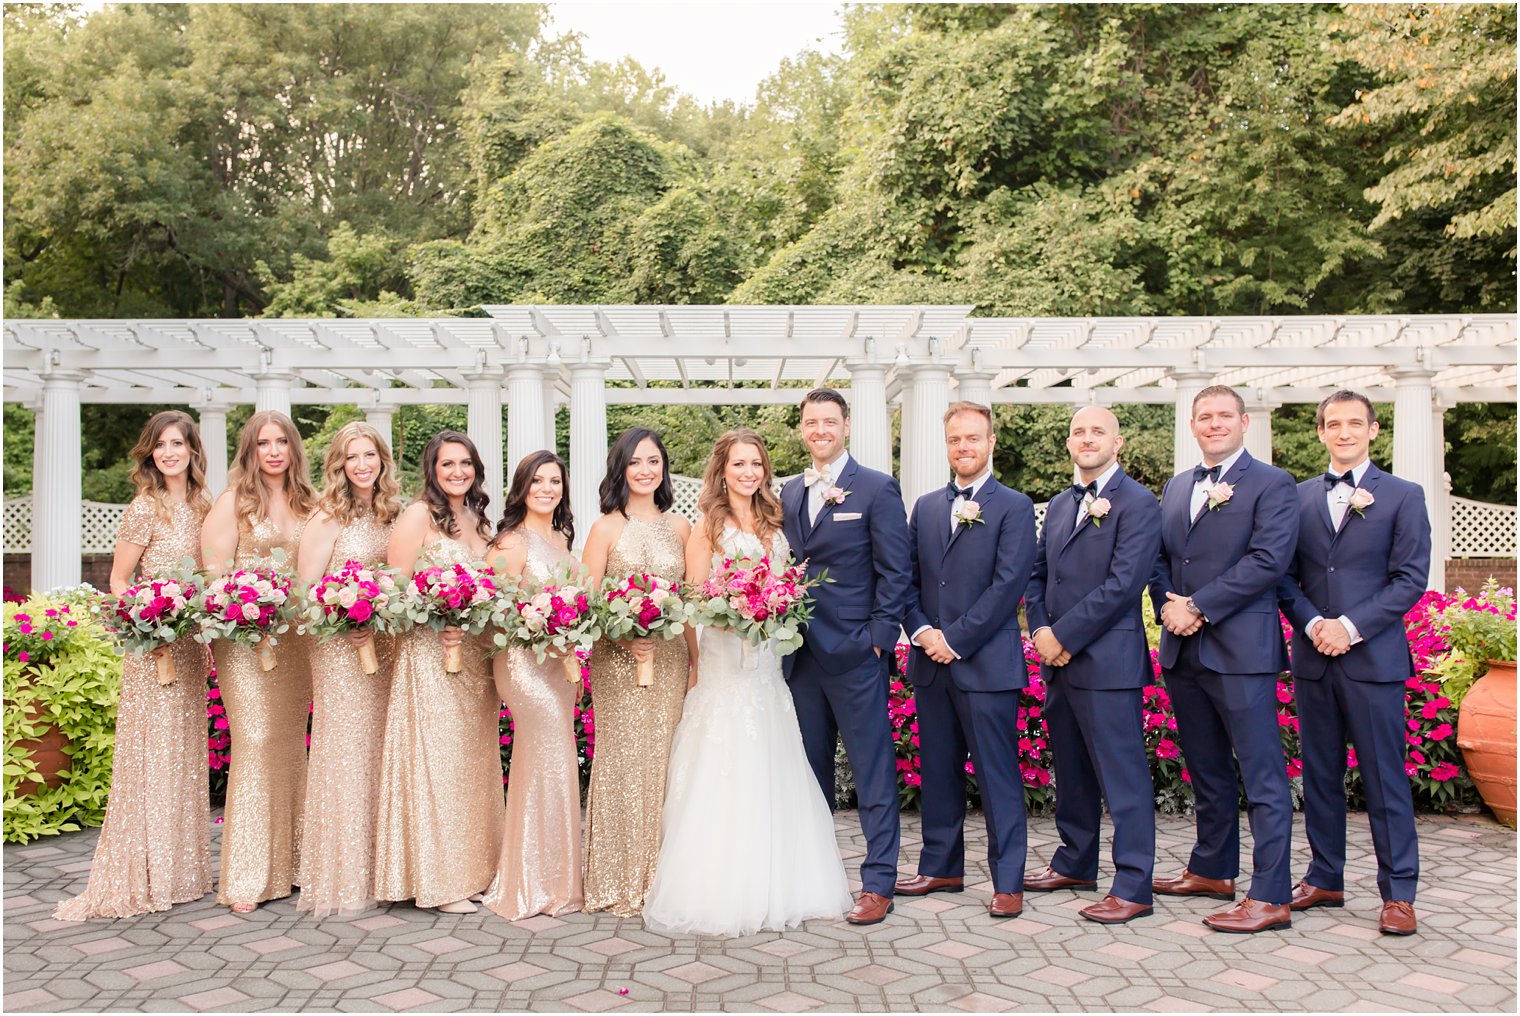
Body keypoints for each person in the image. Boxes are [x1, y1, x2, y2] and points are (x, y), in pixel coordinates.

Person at [642, 429, 852, 936]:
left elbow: (789, 586)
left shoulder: (777, 521)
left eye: (755, 464)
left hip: (766, 663)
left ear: (765, 469)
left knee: (774, 760)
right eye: (738, 464)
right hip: (719, 662)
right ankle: (719, 887)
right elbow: (693, 600)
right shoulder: (706, 528)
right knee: (723, 765)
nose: (748, 473)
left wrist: (771, 607)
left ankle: (786, 880)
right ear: (723, 470)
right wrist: (710, 643)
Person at [1278, 390, 1430, 936]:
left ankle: (1399, 894)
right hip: (1314, 657)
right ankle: (1325, 877)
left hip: (1373, 660)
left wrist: (1350, 626)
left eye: (1354, 424)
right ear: (1320, 432)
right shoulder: (1294, 498)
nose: (1343, 433)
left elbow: (1410, 578)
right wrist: (1314, 623)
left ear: (1374, 430)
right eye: (1333, 424)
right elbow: (1284, 577)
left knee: (1384, 777)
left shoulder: (1404, 496)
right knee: (1319, 774)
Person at [1149, 385, 1299, 934]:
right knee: (1207, 768)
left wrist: (1201, 607)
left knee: (1262, 776)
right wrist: (1170, 606)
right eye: (1204, 417)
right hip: (1183, 648)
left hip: (1241, 650)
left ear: (1244, 423)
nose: (1214, 424)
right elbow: (1160, 557)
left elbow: (1269, 561)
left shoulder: (1273, 483)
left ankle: (1271, 895)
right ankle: (1213, 869)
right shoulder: (1177, 485)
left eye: (1224, 416)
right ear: (1192, 425)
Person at [55, 411, 215, 920]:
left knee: (184, 752)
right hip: (152, 650)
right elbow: (119, 580)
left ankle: (183, 872)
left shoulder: (207, 506)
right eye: (160, 446)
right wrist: (147, 623)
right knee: (152, 754)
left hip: (189, 647)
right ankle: (145, 870)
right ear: (150, 454)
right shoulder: (144, 508)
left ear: (192, 450)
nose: (169, 453)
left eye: (178, 444)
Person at [898, 402, 1037, 920]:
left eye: (973, 438)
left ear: (991, 442)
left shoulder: (1015, 506)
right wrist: (920, 631)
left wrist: (953, 639)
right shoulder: (927, 506)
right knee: (937, 770)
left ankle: (1007, 881)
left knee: (997, 775)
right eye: (955, 438)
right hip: (930, 662)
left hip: (984, 663)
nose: (964, 447)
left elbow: (1009, 587)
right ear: (946, 442)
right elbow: (907, 580)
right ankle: (942, 866)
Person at [1024, 406, 1162, 924]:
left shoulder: (1139, 502)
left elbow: (1124, 584)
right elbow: (1037, 575)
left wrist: (1064, 635)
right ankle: (1075, 862)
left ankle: (1133, 885)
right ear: (1068, 442)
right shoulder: (1059, 504)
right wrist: (1039, 630)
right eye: (1078, 430)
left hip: (1108, 661)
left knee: (1122, 776)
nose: (1087, 438)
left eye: (1097, 431)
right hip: (1057, 659)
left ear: (1117, 442)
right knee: (1073, 769)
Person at [779, 388, 910, 926]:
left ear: (847, 426)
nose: (820, 430)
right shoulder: (787, 491)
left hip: (856, 654)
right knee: (809, 775)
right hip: (798, 657)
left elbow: (896, 572)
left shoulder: (877, 488)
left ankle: (879, 881)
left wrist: (878, 639)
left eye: (829, 421)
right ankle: (815, 877)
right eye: (811, 422)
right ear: (802, 429)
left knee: (871, 770)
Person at [373, 431, 503, 914]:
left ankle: (476, 869)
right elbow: (394, 590)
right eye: (448, 464)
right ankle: (441, 880)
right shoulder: (417, 515)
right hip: (430, 656)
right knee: (439, 763)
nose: (457, 472)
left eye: (465, 463)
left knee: (472, 763)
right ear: (432, 468)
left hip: (475, 659)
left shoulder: (478, 519)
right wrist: (435, 618)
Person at [200, 410, 317, 914]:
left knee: (290, 743)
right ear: (249, 451)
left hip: (296, 640)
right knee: (257, 741)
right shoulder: (234, 503)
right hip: (246, 641)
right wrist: (247, 604)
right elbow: (213, 574)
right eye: (263, 443)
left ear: (293, 449)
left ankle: (291, 866)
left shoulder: (310, 503)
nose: (273, 451)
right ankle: (247, 874)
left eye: (281, 442)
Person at [580, 428, 695, 917]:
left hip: (669, 660)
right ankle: (616, 879)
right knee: (624, 763)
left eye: (654, 461)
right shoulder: (606, 527)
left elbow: (690, 603)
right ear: (620, 469)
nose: (646, 470)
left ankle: (662, 881)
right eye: (635, 462)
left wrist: (696, 666)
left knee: (667, 764)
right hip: (618, 661)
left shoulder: (682, 528)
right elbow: (586, 601)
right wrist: (624, 634)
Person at [294, 422, 403, 917]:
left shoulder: (393, 513)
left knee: (382, 750)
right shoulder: (326, 516)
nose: (362, 465)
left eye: (370, 456)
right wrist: (344, 615)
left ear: (382, 460)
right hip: (339, 649)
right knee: (346, 750)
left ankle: (387, 868)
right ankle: (342, 872)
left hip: (387, 645)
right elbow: (306, 590)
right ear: (338, 464)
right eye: (352, 457)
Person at [483, 451, 584, 921]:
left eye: (555, 481)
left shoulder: (563, 539)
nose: (547, 488)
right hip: (523, 666)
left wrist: (570, 648)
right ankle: (529, 884)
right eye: (538, 480)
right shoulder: (510, 542)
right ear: (521, 487)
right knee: (548, 756)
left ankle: (556, 879)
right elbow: (493, 613)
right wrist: (537, 622)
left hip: (558, 667)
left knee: (554, 761)